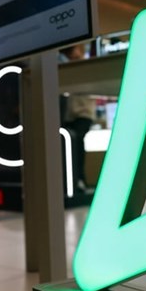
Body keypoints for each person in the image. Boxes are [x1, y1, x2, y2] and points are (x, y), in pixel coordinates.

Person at [59, 44, 95, 193]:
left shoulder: (83, 67)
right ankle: (74, 181)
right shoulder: (65, 67)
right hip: (70, 116)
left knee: (77, 146)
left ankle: (79, 180)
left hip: (83, 114)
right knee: (72, 148)